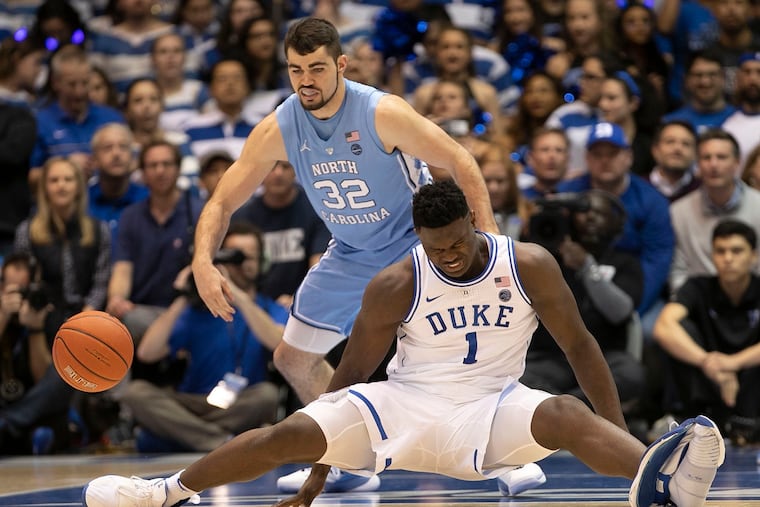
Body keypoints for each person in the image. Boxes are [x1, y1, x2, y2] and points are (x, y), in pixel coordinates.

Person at [82, 180, 726, 507]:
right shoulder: (397, 283)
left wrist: (629, 449)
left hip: (492, 406)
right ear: (418, 238)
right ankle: (165, 492)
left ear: (474, 225)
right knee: (286, 431)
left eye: (455, 243)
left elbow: (584, 350)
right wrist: (315, 475)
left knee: (565, 412)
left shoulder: (527, 263)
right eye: (433, 246)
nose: (446, 256)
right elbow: (350, 375)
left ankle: (656, 477)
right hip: (404, 405)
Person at [189, 17, 499, 494]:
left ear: (341, 64)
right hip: (351, 253)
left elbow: (460, 158)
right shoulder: (280, 125)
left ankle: (501, 455)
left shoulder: (381, 111)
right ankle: (351, 459)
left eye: (316, 68)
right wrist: (202, 262)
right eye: (296, 70)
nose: (306, 81)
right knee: (293, 358)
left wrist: (490, 238)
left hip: (413, 248)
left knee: (443, 362)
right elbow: (223, 201)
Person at [123, 222, 287, 453]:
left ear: (263, 262)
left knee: (268, 396)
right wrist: (184, 295)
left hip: (240, 403)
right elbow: (147, 353)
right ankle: (222, 443)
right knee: (135, 393)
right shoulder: (197, 312)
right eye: (233, 257)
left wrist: (235, 294)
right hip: (192, 402)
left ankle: (185, 437)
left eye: (247, 257)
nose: (240, 265)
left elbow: (280, 343)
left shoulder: (269, 309)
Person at [521, 189, 645, 413]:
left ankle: (567, 412)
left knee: (631, 374)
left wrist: (587, 267)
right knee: (521, 379)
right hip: (552, 359)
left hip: (604, 359)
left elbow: (621, 311)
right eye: (585, 212)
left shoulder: (625, 263)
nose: (590, 218)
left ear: (616, 223)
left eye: (600, 213)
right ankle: (574, 413)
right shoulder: (545, 260)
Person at [654, 218, 760, 443]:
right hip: (709, 381)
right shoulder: (697, 287)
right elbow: (664, 326)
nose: (728, 258)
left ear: (754, 255)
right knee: (681, 329)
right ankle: (693, 419)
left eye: (737, 251)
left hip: (751, 381)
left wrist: (733, 363)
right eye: (720, 251)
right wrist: (709, 362)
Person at [13, 157, 111, 338]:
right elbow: (24, 281)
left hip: (88, 320)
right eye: (54, 180)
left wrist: (85, 317)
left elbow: (101, 282)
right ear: (44, 188)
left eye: (68, 179)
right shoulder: (27, 231)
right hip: (43, 318)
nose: (61, 186)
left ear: (79, 186)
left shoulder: (99, 229)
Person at [668, 128, 760, 294]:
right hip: (698, 305)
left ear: (737, 163)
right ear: (698, 164)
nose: (714, 165)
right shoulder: (678, 212)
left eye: (722, 157)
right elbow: (677, 271)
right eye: (706, 158)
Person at [0, 252, 73, 455]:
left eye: (24, 291)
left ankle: (10, 423)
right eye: (13, 291)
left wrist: (35, 330)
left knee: (65, 372)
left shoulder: (46, 310)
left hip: (37, 411)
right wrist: (3, 316)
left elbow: (45, 381)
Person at [234, 160, 331, 308]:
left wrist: (301, 299)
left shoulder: (317, 209)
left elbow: (319, 265)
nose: (278, 173)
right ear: (260, 172)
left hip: (303, 303)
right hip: (255, 303)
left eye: (285, 166)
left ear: (295, 169)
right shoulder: (243, 216)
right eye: (272, 166)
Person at [647, 120, 700, 203]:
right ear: (655, 150)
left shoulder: (702, 190)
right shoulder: (636, 188)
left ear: (695, 154)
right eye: (670, 141)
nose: (677, 148)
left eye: (686, 144)